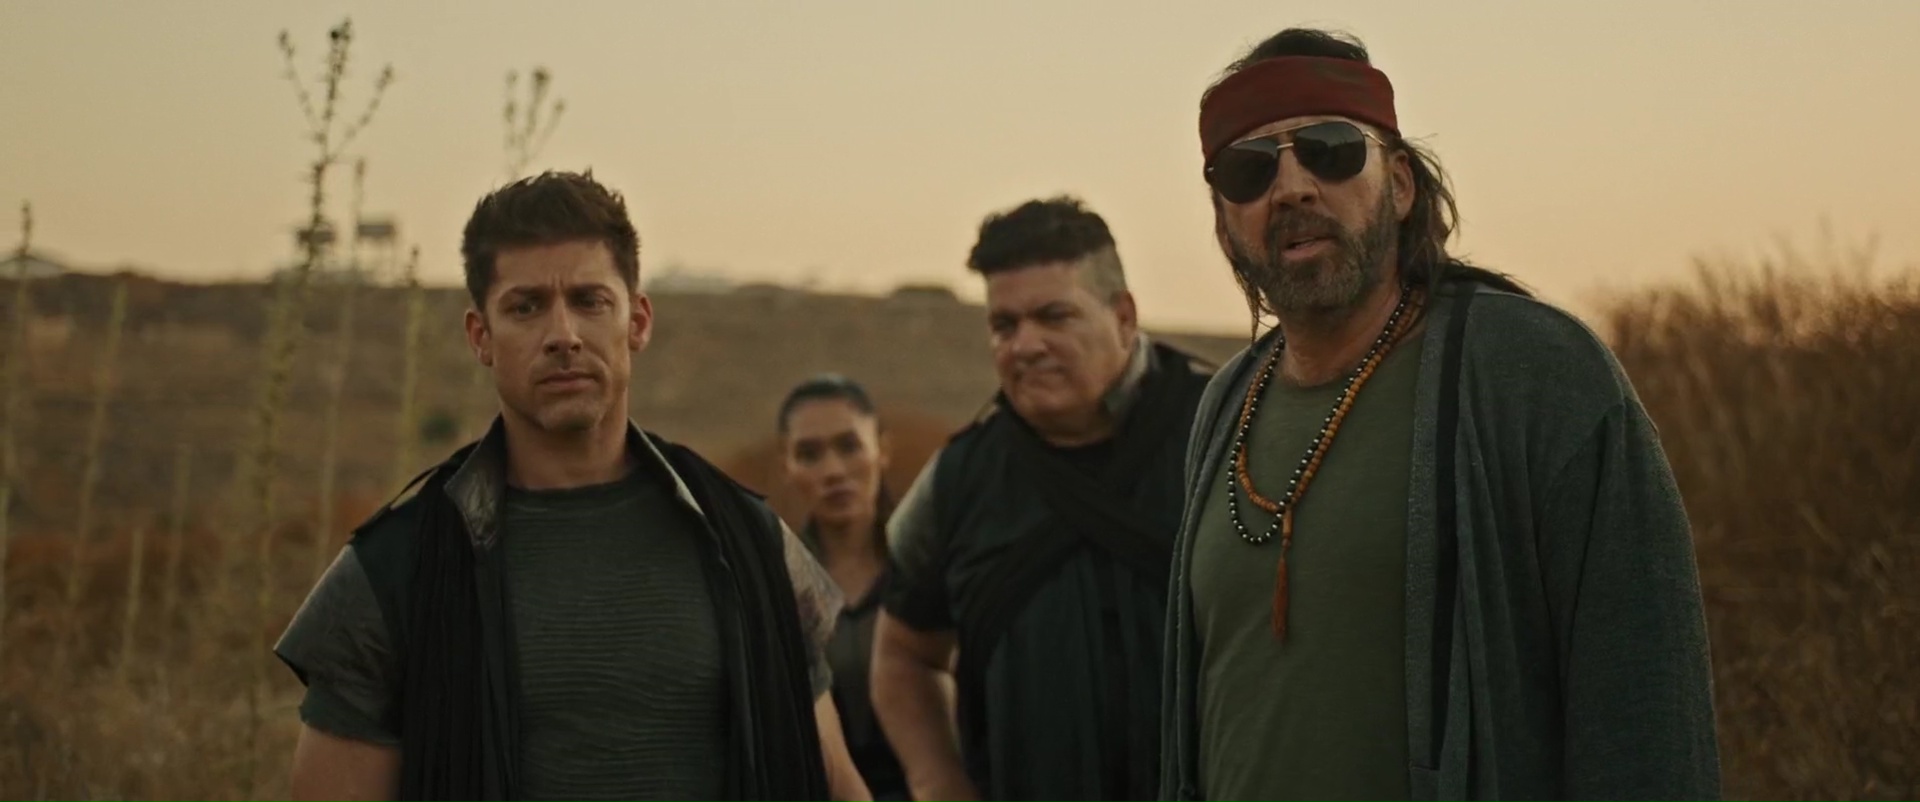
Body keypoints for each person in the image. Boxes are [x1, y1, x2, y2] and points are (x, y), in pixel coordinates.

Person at [1158, 27, 1723, 802]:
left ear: (1399, 185)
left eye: (1329, 150)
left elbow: (1646, 710)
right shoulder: (1227, 402)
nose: (1290, 188)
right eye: (1248, 169)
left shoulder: (1535, 374)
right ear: (1224, 221)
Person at [273, 170, 871, 802]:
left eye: (590, 301)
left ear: (637, 321)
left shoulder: (750, 542)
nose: (563, 335)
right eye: (525, 307)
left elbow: (834, 779)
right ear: (481, 337)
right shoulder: (396, 570)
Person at [871, 196, 1213, 802]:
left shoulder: (1226, 434)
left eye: (1054, 316)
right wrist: (938, 783)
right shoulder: (959, 478)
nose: (1025, 345)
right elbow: (903, 654)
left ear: (1124, 316)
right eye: (1004, 326)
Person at [777, 374, 912, 802]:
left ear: (882, 450)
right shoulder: (774, 587)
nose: (833, 471)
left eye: (849, 446)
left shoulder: (931, 571)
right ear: (787, 466)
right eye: (809, 454)